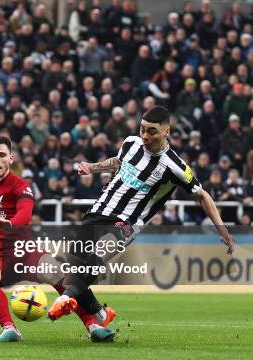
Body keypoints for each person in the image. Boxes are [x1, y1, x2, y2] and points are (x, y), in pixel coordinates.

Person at [47, 106, 234, 339]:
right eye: (142, 129)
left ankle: (66, 300)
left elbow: (202, 195)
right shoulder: (131, 143)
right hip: (99, 211)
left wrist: (222, 229)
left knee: (98, 255)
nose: (145, 136)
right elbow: (118, 161)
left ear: (167, 131)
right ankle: (99, 314)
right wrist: (92, 168)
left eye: (152, 132)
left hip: (127, 223)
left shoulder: (175, 166)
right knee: (73, 268)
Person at [0, 136, 115, 343]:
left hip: (26, 251)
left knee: (61, 274)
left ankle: (93, 325)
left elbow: (25, 212)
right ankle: (10, 329)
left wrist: (10, 223)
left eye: (2, 155)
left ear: (11, 159)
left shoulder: (21, 185)